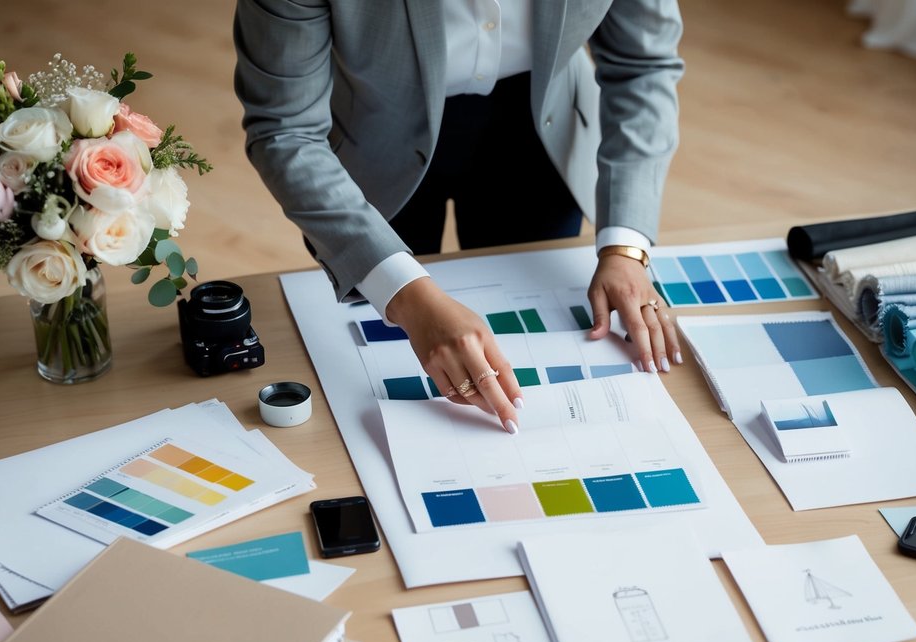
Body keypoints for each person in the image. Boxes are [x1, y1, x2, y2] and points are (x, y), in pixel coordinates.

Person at [233, 1, 684, 433]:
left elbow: (645, 66)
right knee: (384, 356)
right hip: (372, 142)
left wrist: (626, 247)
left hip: (540, 127)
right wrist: (407, 297)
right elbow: (284, 128)